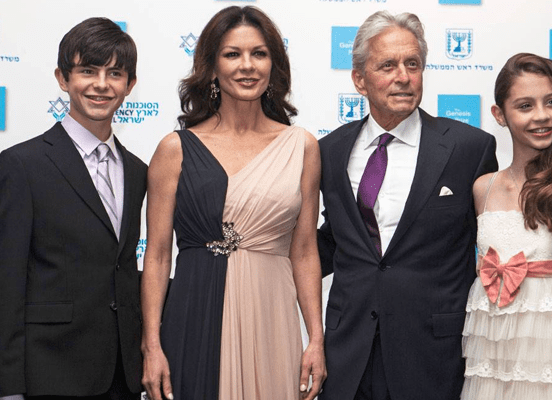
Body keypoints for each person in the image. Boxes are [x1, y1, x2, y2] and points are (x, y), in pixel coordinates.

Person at [140, 6, 326, 400]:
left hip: (272, 316)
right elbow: (156, 256)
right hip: (194, 311)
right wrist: (152, 345)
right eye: (232, 54)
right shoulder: (175, 149)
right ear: (211, 67)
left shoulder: (302, 147)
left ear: (274, 66)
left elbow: (306, 251)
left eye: (259, 54)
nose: (247, 66)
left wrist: (315, 339)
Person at [318, 10, 498, 400]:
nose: (403, 76)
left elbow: (492, 246)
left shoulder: (470, 148)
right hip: (349, 350)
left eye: (412, 64)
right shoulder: (328, 151)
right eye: (388, 65)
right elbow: (331, 242)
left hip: (433, 353)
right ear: (359, 80)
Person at [0, 18, 147, 400]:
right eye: (87, 71)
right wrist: (8, 386)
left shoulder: (138, 171)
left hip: (123, 374)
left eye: (115, 73)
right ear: (63, 79)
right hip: (49, 371)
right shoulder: (21, 165)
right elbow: (6, 282)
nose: (101, 84)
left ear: (130, 85)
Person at [462, 53, 552, 400]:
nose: (541, 116)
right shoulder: (484, 188)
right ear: (500, 115)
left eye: (551, 102)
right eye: (525, 105)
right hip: (493, 368)